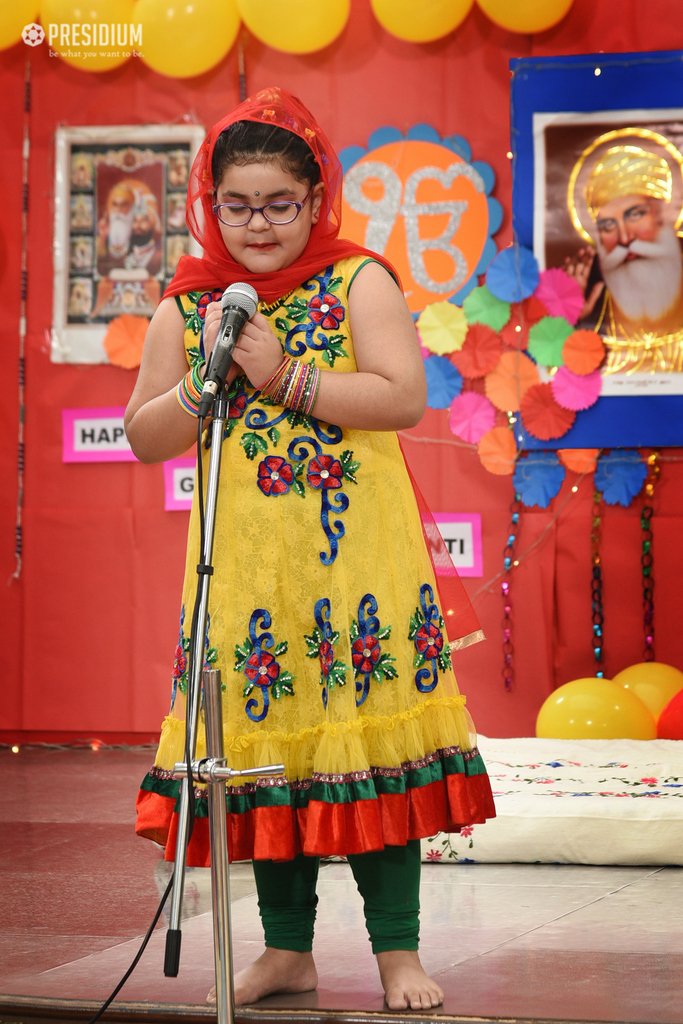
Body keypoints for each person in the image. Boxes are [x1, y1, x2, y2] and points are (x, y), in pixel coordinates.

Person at [126, 88, 495, 1012]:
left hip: (356, 563)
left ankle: (397, 953)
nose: (258, 225)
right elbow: (143, 435)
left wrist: (282, 376)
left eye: (279, 205)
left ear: (315, 197)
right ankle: (286, 950)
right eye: (238, 206)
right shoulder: (190, 299)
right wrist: (205, 386)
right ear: (212, 204)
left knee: (363, 748)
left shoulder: (359, 277)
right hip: (244, 574)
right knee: (267, 750)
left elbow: (403, 398)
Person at [565, 145, 683, 371]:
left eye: (635, 215)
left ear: (665, 216)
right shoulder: (591, 306)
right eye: (608, 225)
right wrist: (571, 321)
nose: (625, 238)